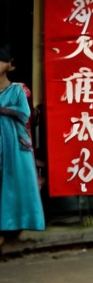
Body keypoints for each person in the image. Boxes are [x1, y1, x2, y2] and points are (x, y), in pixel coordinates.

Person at [0, 45, 45, 235]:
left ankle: (9, 228)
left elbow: (24, 114)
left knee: (12, 184)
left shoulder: (18, 90)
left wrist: (3, 110)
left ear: (10, 65)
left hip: (13, 145)